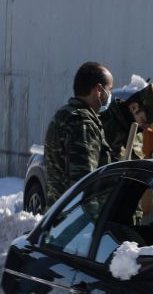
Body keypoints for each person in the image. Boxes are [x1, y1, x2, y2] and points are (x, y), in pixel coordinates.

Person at [44, 62, 113, 206]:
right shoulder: (83, 124)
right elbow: (84, 185)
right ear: (98, 89)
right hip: (76, 221)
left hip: (57, 215)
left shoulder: (63, 115)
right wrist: (95, 225)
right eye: (109, 89)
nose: (110, 95)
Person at [102, 81, 153, 162]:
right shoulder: (104, 125)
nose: (145, 128)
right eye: (144, 121)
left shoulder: (136, 131)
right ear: (134, 108)